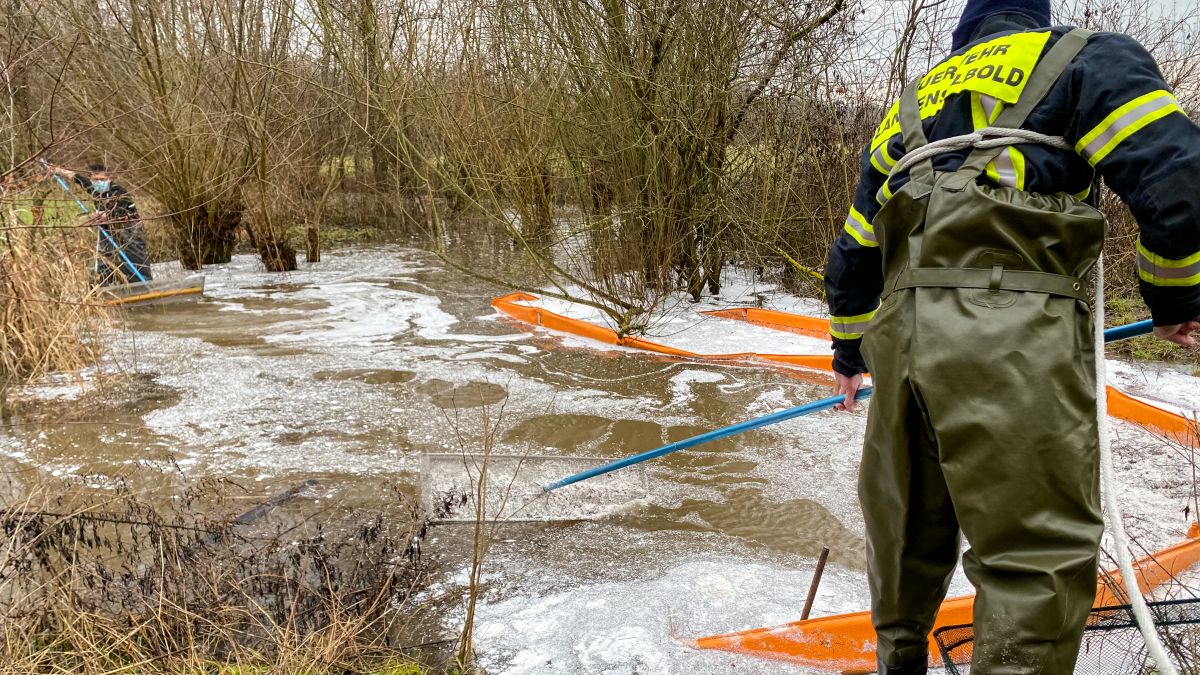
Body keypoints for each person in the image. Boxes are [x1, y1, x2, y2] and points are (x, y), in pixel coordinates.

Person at [824, 0, 1200, 672]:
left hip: (902, 339)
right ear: (1034, 18)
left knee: (903, 540)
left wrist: (851, 353)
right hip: (1016, 332)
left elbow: (854, 250)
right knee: (1032, 564)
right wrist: (1174, 299)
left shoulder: (911, 104)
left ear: (965, 35)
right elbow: (1179, 185)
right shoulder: (1084, 59)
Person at [52, 163, 153, 285]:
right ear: (91, 179)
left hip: (128, 230)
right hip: (107, 231)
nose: (99, 182)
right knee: (105, 262)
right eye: (95, 180)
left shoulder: (118, 191)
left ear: (109, 179)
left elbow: (118, 213)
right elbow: (78, 178)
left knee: (135, 262)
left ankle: (143, 286)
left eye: (102, 180)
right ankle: (104, 289)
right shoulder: (94, 189)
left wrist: (99, 217)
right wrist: (59, 171)